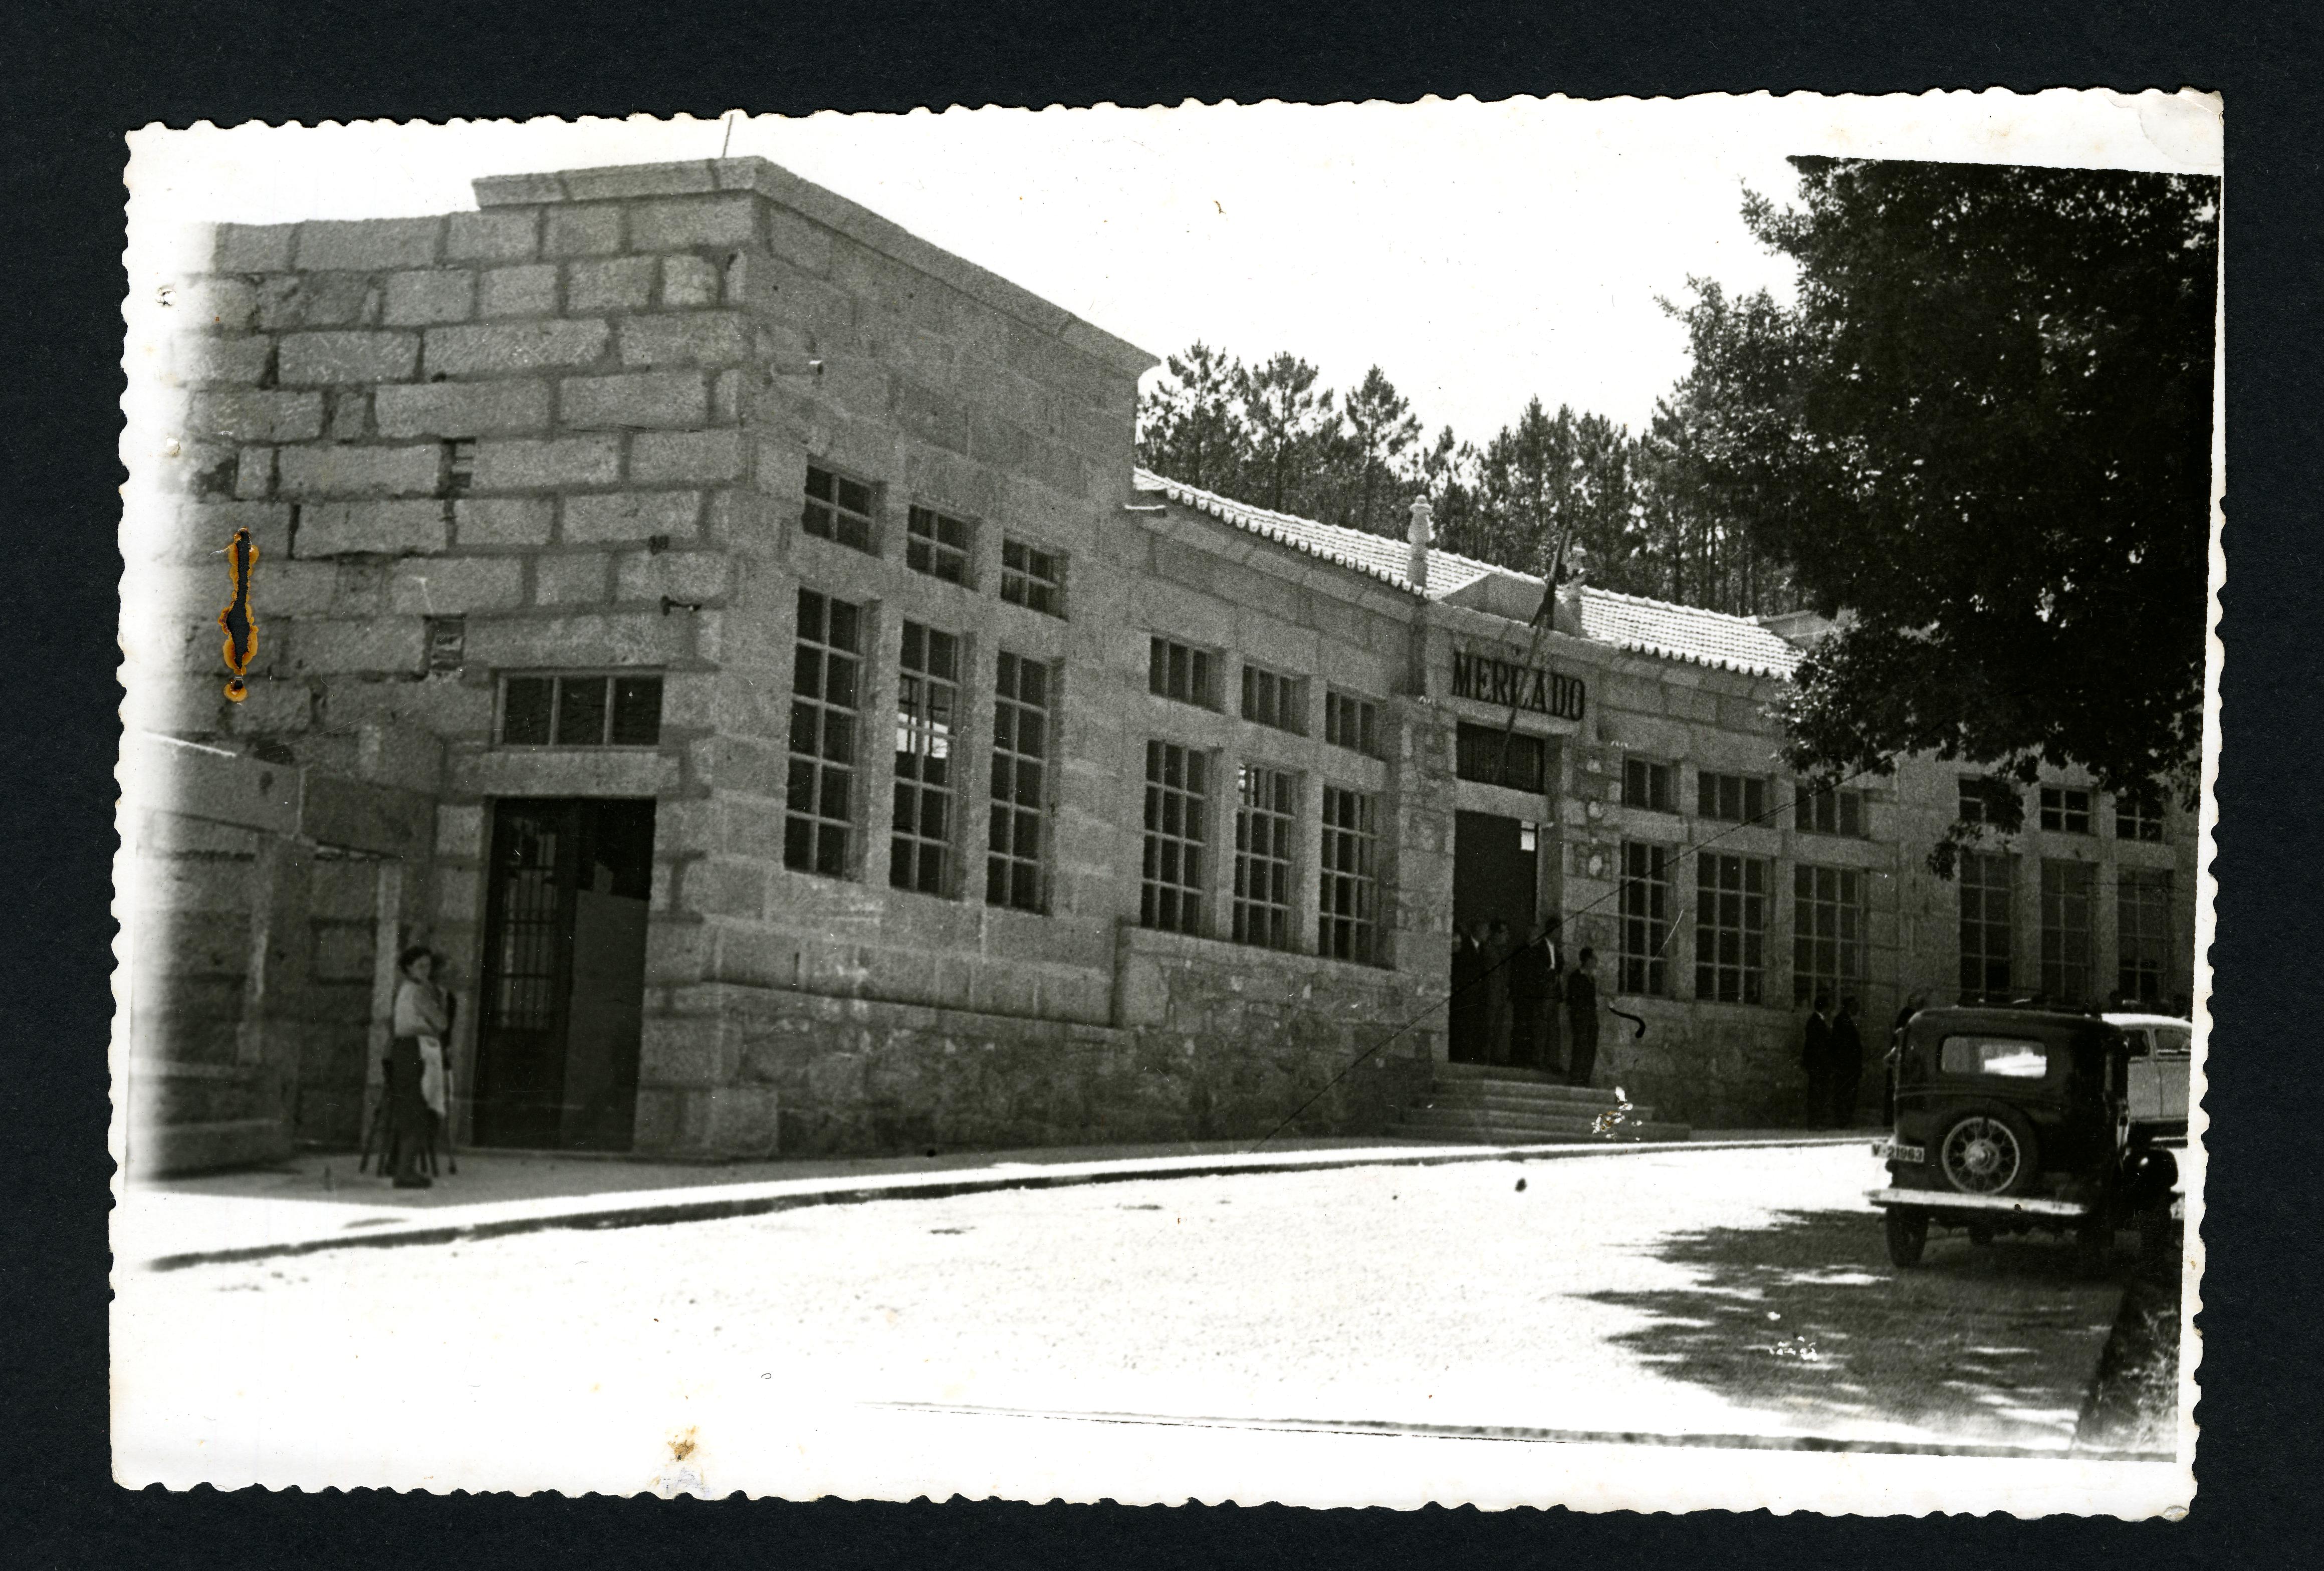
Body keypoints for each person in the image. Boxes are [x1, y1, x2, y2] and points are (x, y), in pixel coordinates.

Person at [386, 945, 452, 1189]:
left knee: (408, 1105)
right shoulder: (420, 993)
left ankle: (396, 1163)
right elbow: (442, 1023)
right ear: (409, 968)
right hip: (417, 1050)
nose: (426, 970)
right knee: (420, 1106)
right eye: (420, 966)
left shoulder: (402, 990)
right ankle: (405, 1171)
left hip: (402, 1049)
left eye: (428, 965)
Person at [1506, 920, 1554, 1072]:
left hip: (1535, 997)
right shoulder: (1521, 951)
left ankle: (1527, 1059)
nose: (1537, 938)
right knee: (1520, 1026)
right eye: (1534, 934)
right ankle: (1516, 1059)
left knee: (1531, 1028)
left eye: (1539, 935)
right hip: (1522, 996)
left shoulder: (1540, 953)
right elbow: (1516, 974)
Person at [1448, 921, 1487, 1062]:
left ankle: (1470, 1055)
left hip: (1476, 997)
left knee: (1473, 1026)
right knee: (1462, 1026)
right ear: (1476, 930)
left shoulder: (1483, 949)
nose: (1486, 934)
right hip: (1464, 996)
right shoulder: (1465, 947)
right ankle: (1460, 1055)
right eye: (1484, 930)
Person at [1564, 947, 1601, 1089]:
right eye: (1593, 959)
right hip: (1581, 1017)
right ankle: (1575, 1077)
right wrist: (1576, 1016)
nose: (1596, 962)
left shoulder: (1591, 978)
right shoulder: (1576, 977)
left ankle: (1585, 1077)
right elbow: (1572, 1000)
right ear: (1587, 960)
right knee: (1580, 1046)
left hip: (1591, 1017)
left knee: (1591, 1047)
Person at [1482, 919, 1516, 1066]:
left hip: (1501, 996)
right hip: (1490, 995)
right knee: (1488, 1028)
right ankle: (1485, 1057)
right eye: (1503, 933)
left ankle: (1495, 1057)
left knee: (1499, 1028)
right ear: (1495, 934)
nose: (1506, 936)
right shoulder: (1488, 950)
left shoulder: (1505, 952)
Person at [1831, 996, 1866, 1128]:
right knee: (1844, 1093)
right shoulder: (1842, 1020)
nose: (1858, 1008)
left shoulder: (1846, 1020)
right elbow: (1841, 1045)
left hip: (1849, 1066)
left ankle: (1845, 1120)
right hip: (1846, 1066)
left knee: (1847, 1093)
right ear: (1849, 1006)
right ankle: (1843, 1121)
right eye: (1855, 1005)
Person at [1800, 992, 1833, 1128]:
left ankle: (1817, 1121)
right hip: (1818, 1065)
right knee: (1817, 1093)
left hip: (1818, 1064)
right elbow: (1818, 1046)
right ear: (1825, 1007)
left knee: (1819, 1093)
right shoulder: (1816, 1022)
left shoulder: (1817, 1021)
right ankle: (1815, 1122)